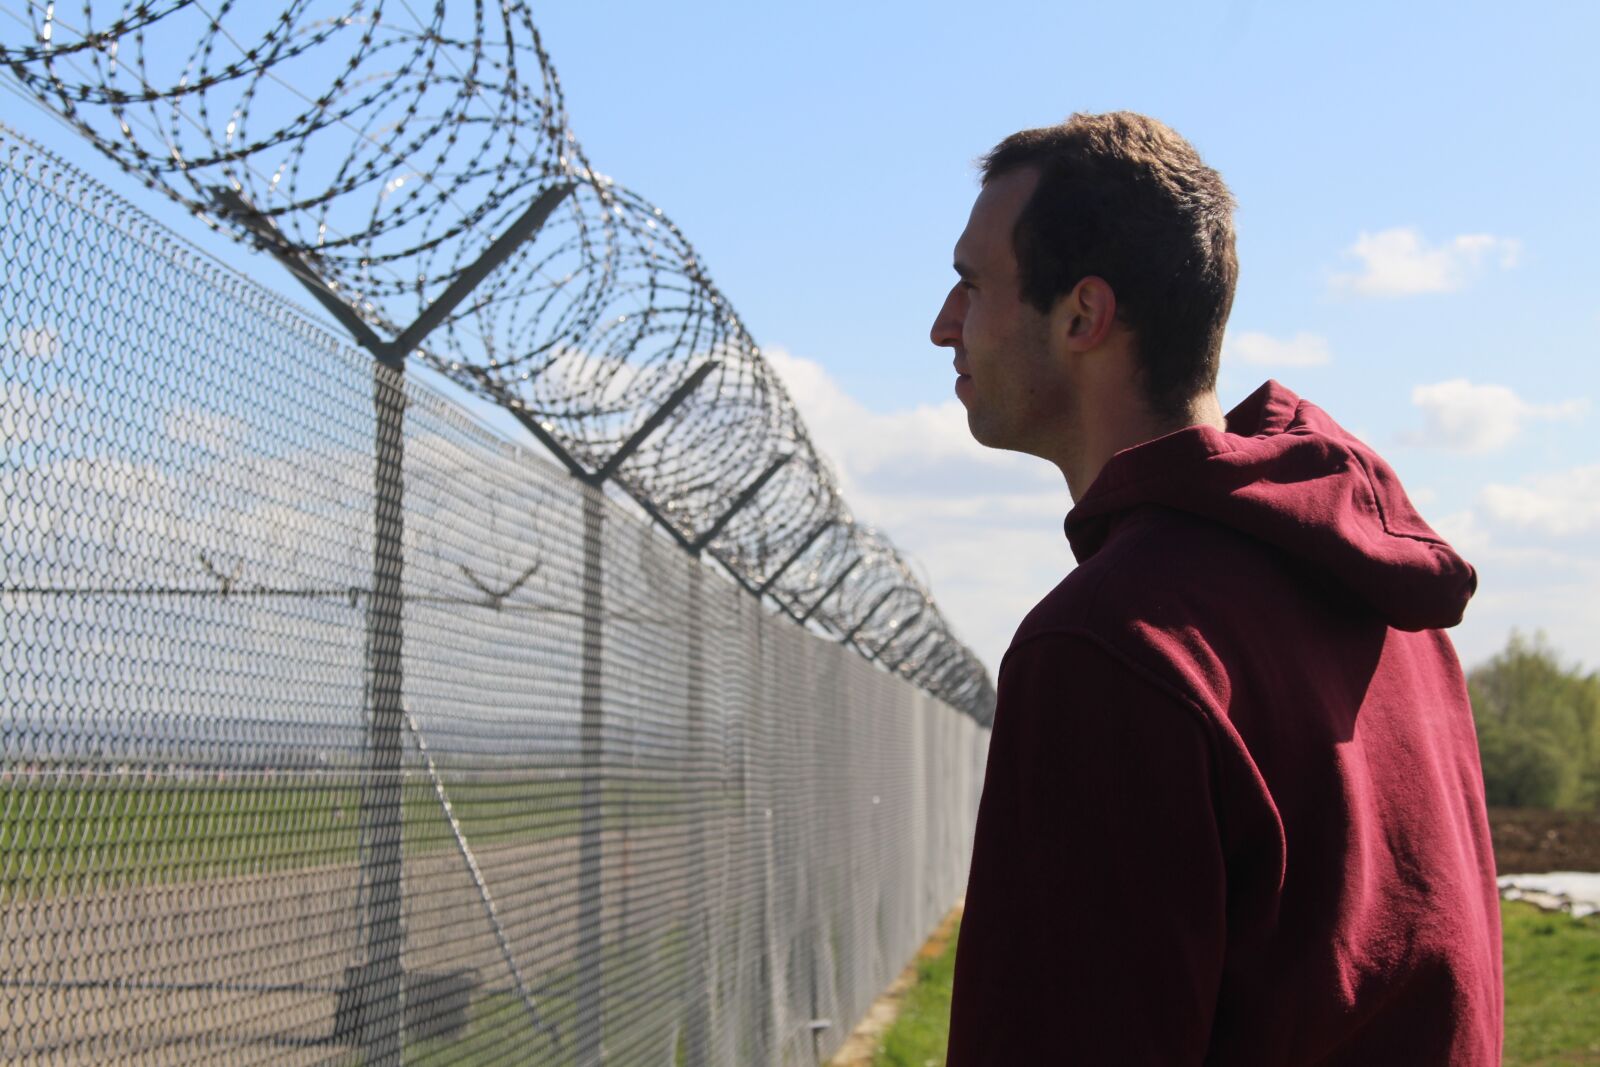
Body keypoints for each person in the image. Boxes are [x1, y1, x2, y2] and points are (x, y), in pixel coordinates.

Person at [930, 112, 1502, 1065]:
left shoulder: (1113, 646)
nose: (945, 323)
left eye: (973, 283)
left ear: (1083, 316)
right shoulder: (1384, 597)